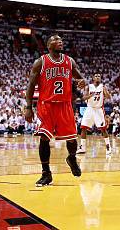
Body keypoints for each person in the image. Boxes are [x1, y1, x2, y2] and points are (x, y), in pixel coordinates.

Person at [24, 35, 87, 187]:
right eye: (56, 40)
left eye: (61, 40)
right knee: (44, 138)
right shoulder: (40, 62)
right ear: (48, 45)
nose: (60, 42)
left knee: (72, 139)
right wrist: (28, 107)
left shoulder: (69, 60)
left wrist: (82, 81)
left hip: (65, 105)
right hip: (46, 105)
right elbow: (31, 86)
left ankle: (71, 158)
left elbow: (79, 77)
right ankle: (46, 173)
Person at [77, 73, 113, 156]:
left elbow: (108, 97)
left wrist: (106, 92)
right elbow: (83, 98)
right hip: (89, 108)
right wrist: (90, 95)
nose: (97, 77)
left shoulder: (102, 87)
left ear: (100, 79)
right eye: (96, 76)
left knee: (103, 129)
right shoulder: (88, 87)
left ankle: (108, 147)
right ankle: (82, 147)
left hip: (98, 109)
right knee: (83, 128)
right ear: (93, 78)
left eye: (99, 76)